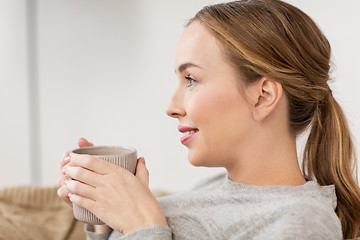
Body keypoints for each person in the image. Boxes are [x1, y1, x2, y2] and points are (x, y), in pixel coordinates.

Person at [57, 0, 360, 239]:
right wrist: (102, 215)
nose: (171, 107)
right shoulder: (214, 187)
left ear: (264, 95)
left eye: (191, 79)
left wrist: (142, 226)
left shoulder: (301, 223)